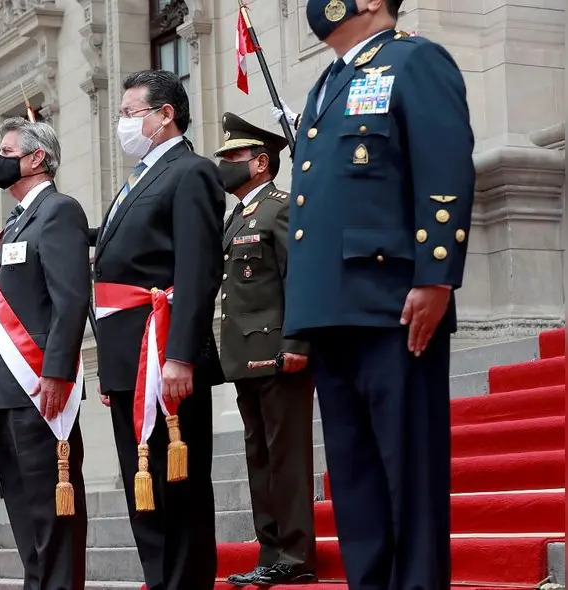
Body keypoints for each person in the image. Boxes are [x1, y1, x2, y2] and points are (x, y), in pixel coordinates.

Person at [275, 1, 476, 588]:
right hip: (332, 310)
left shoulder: (416, 61)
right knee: (356, 481)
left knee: (409, 476)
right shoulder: (330, 81)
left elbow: (445, 169)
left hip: (395, 303)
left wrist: (435, 276)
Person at [89, 70, 224, 590]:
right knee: (141, 491)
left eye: (131, 113)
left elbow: (196, 269)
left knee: (178, 487)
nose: (123, 123)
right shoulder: (136, 180)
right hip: (129, 358)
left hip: (166, 353)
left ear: (166, 114)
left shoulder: (189, 172)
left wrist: (182, 355)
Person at [0, 117, 91, 590]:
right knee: (23, 509)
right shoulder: (15, 222)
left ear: (36, 157)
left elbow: (69, 299)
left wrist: (57, 373)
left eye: (7, 149)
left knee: (51, 505)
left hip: (37, 384)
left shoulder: (59, 211)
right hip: (4, 389)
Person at [212, 113, 317, 587]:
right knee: (260, 456)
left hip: (278, 352)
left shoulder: (280, 206)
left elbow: (300, 277)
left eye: (233, 156)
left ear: (260, 162)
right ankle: (270, 548)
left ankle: (294, 555)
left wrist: (298, 342)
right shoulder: (237, 216)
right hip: (244, 356)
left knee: (285, 455)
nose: (224, 164)